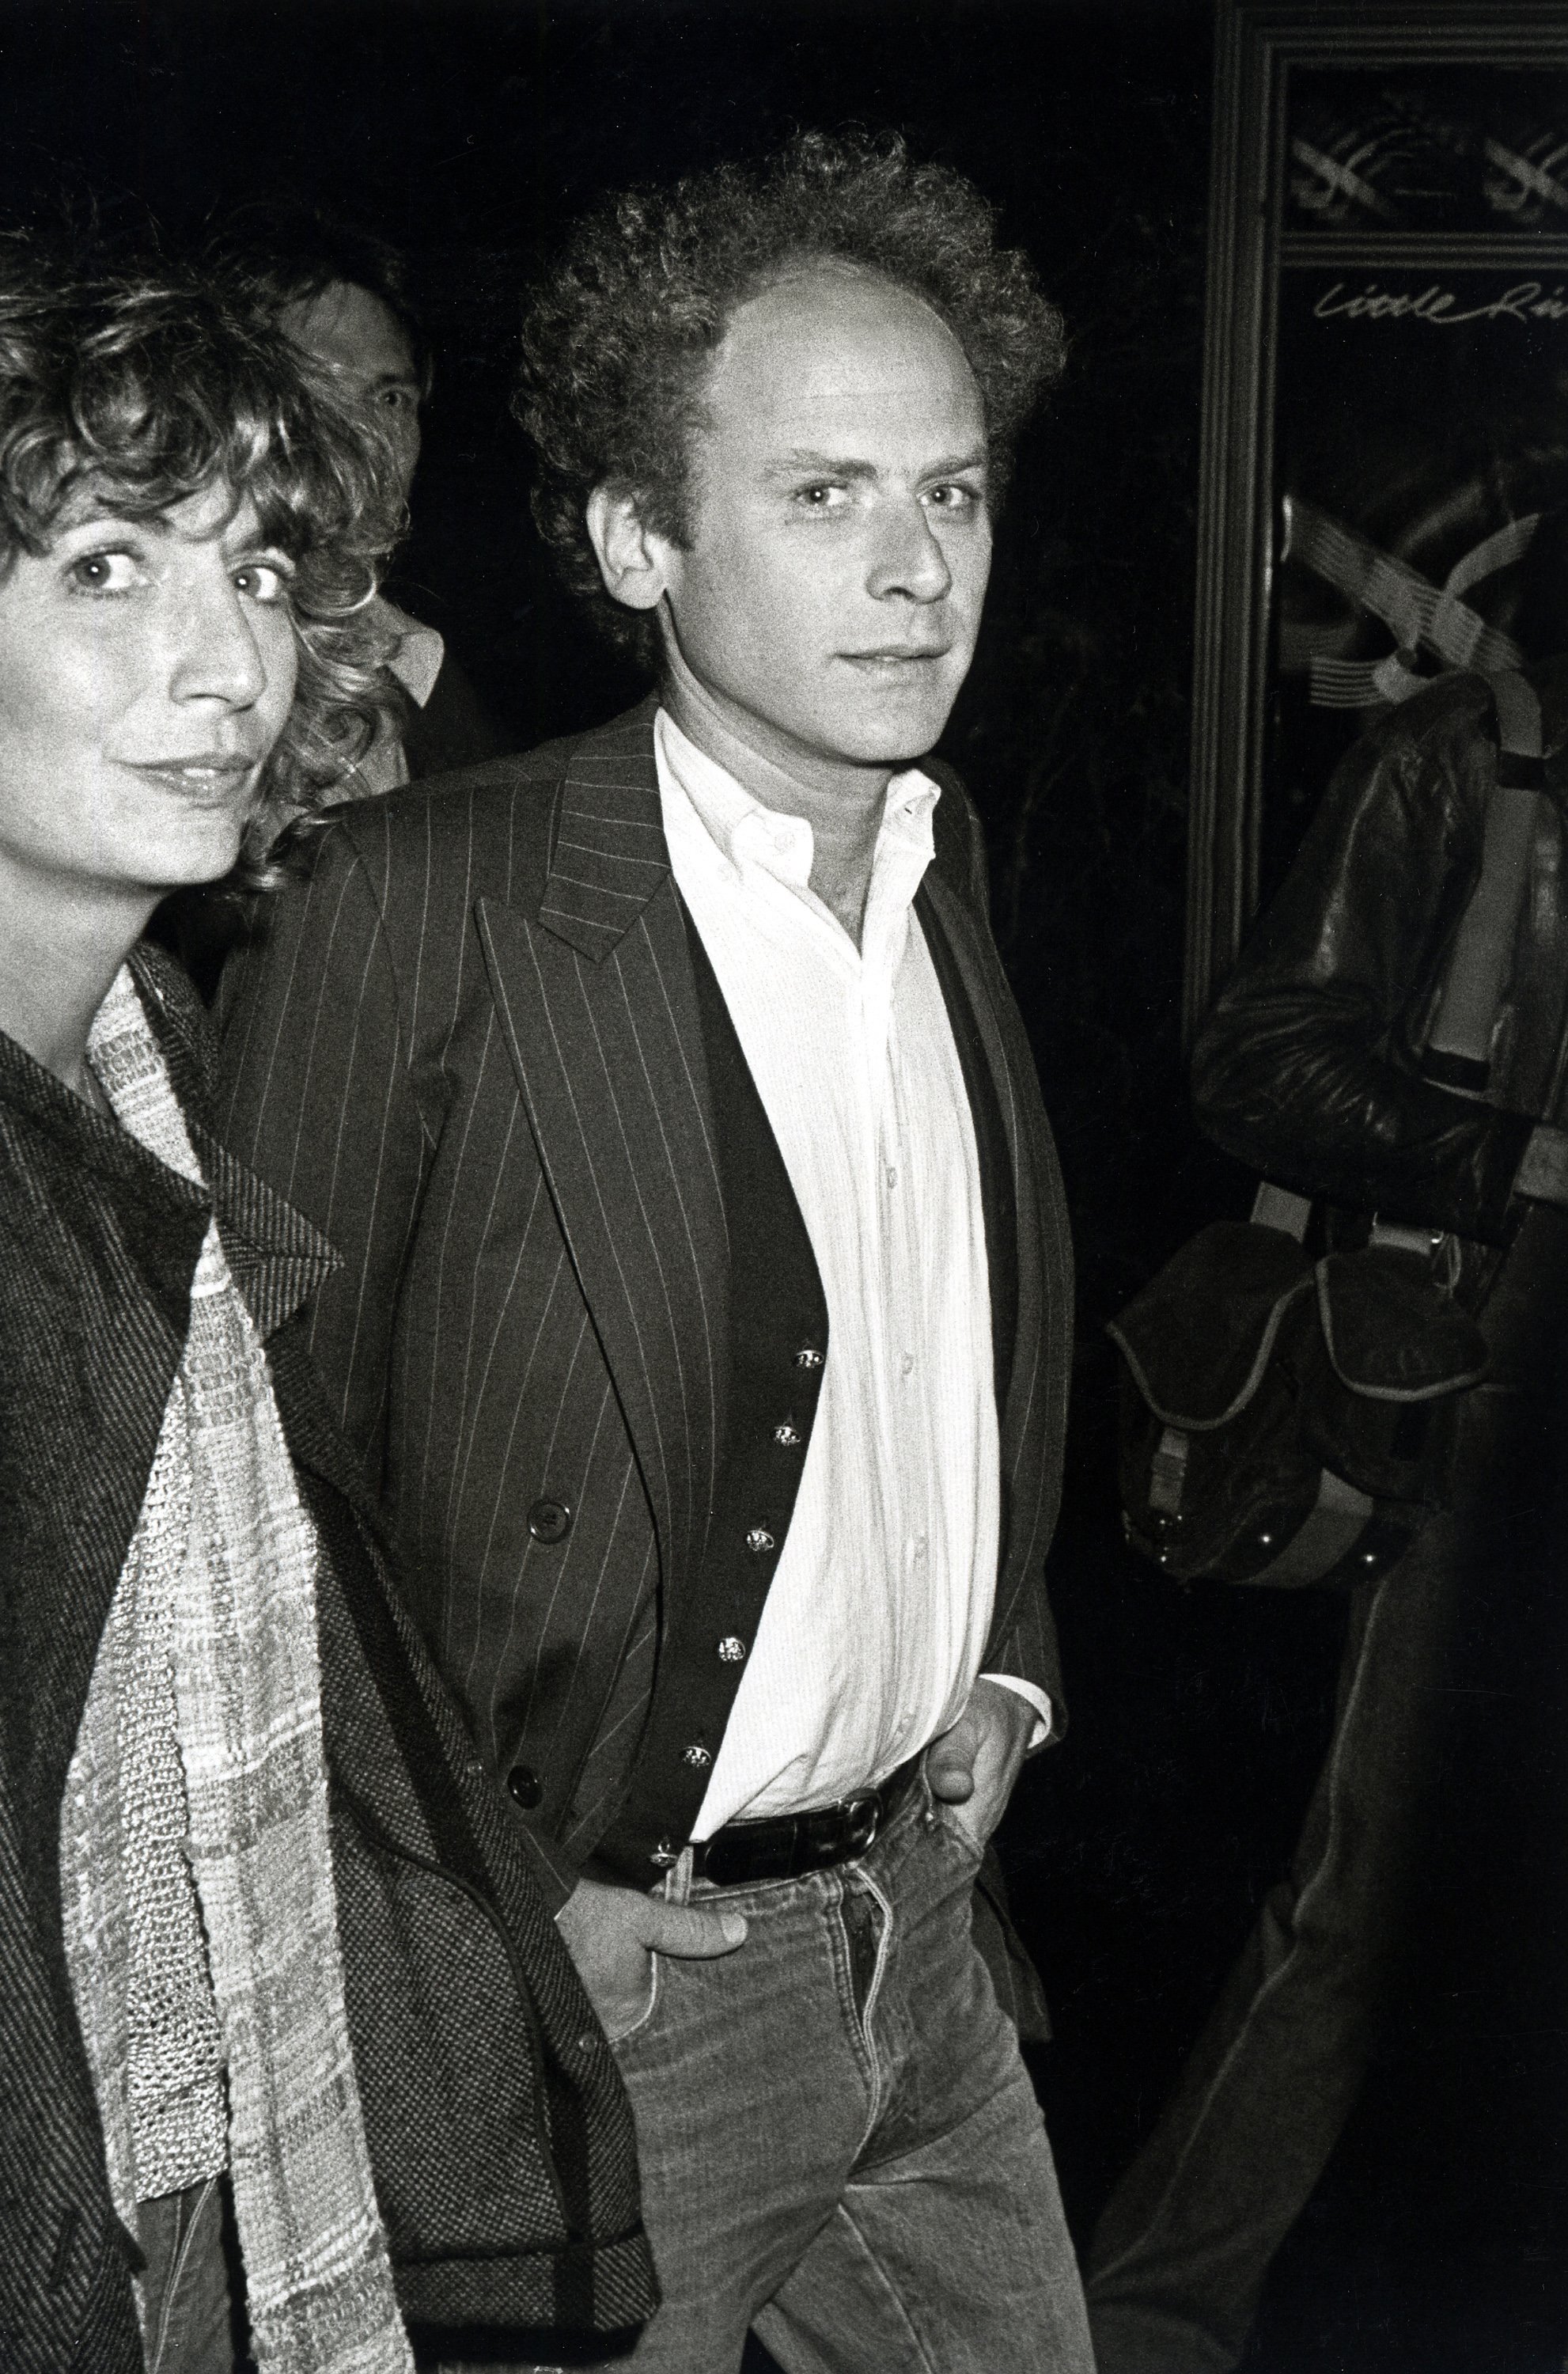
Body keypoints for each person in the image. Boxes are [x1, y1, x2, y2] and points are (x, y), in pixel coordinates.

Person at [218, 131, 1093, 2373]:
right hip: (629, 2014)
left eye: (952, 493)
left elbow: (947, 1337)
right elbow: (241, 1504)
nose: (916, 572)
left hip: (922, 1950)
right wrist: (500, 1911)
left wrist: (999, 1663)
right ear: (635, 537)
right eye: (823, 497)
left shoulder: (930, 851)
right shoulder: (418, 903)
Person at [0, 243, 654, 2374]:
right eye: (105, 569)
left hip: (197, 2176)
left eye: (263, 575)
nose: (224, 671)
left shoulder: (152, 1064)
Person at [1085, 660, 1568, 2372]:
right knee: (1369, 1889)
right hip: (1491, 1374)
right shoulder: (1467, 749)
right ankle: (1148, 2320)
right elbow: (1261, 1060)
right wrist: (1517, 1157)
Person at [203, 201, 506, 793]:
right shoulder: (177, 657)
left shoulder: (418, 668)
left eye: (389, 399)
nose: (360, 441)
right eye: (315, 395)